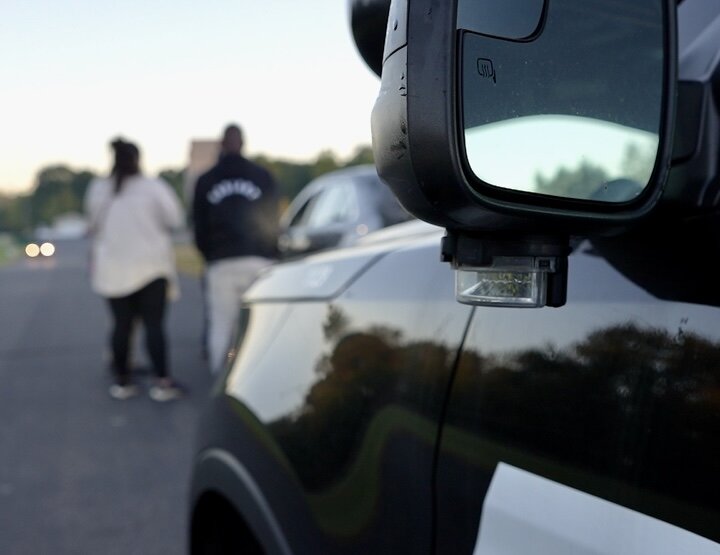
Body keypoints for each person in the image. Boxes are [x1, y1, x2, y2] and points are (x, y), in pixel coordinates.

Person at [85, 138, 185, 401]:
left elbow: (92, 226)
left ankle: (123, 381)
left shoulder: (99, 189)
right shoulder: (153, 188)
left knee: (121, 326)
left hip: (113, 271)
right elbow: (175, 219)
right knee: (154, 326)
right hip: (151, 268)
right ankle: (162, 382)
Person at [192, 123, 279, 373]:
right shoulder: (262, 176)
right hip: (258, 260)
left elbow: (199, 225)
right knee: (260, 325)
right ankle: (259, 376)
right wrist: (271, 252)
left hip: (222, 262)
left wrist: (209, 256)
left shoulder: (206, 180)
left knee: (221, 324)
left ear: (222, 144)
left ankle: (221, 378)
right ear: (243, 144)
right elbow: (273, 220)